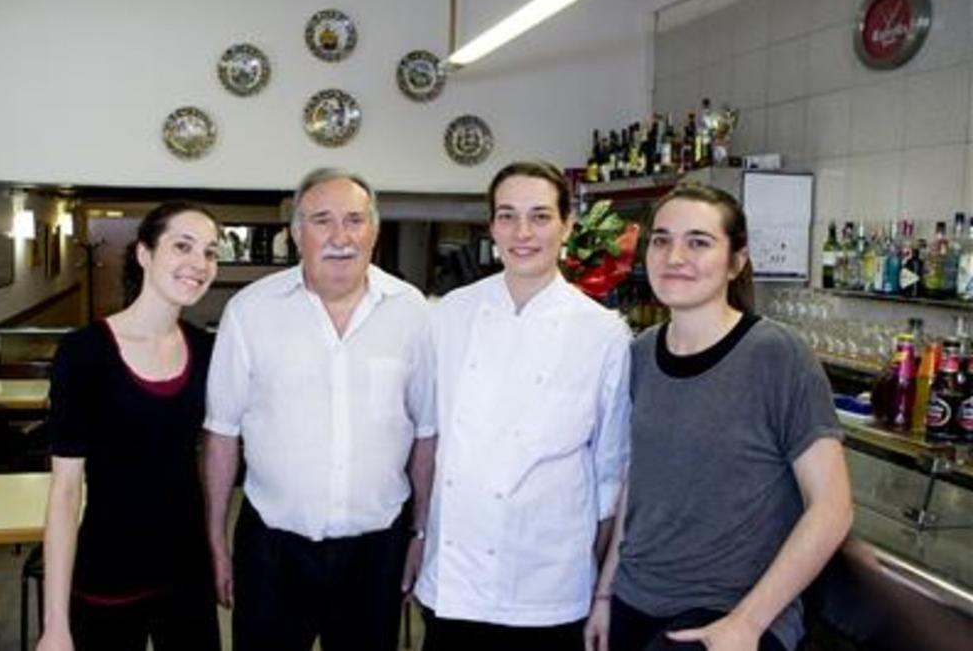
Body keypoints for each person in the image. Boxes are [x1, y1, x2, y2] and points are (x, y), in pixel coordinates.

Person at [584, 183, 853, 651]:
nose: (674, 256)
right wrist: (605, 593)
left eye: (699, 242)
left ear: (737, 260)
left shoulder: (777, 354)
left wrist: (748, 623)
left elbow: (832, 508)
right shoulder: (641, 353)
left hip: (727, 613)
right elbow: (637, 486)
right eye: (662, 240)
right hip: (634, 599)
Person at [202, 168, 435, 651]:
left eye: (354, 220)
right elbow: (221, 434)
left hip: (377, 550)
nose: (340, 237)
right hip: (272, 546)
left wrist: (420, 533)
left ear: (374, 229)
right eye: (322, 220)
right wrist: (216, 540)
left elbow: (425, 435)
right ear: (295, 232)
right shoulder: (250, 311)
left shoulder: (413, 312)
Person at [413, 160, 632, 650]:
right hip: (456, 580)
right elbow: (429, 438)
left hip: (550, 584)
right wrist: (419, 534)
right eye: (507, 216)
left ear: (567, 225)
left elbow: (609, 472)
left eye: (539, 216)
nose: (522, 232)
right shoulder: (450, 315)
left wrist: (594, 584)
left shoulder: (603, 333)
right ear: (491, 226)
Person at [37, 202, 222, 651]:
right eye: (183, 246)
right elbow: (64, 492)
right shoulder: (84, 354)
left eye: (211, 252)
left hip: (186, 571)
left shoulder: (208, 350)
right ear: (143, 254)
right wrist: (55, 624)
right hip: (109, 569)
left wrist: (219, 551)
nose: (199, 264)